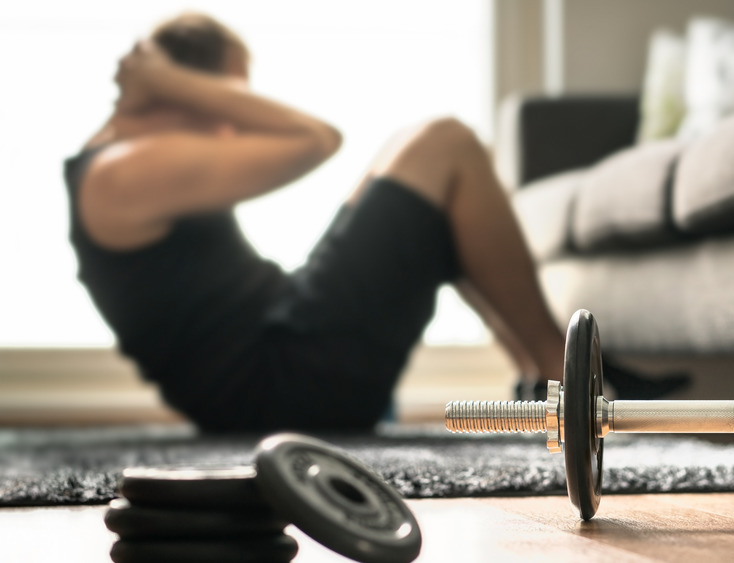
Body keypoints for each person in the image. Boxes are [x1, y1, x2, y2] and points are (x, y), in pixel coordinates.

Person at [65, 13, 568, 432]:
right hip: (286, 391)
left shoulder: (112, 167)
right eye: (230, 96)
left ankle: (535, 380)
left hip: (283, 361)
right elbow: (318, 139)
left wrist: (179, 86)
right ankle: (564, 380)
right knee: (445, 142)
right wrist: (171, 82)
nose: (233, 123)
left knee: (413, 180)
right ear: (190, 90)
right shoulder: (122, 172)